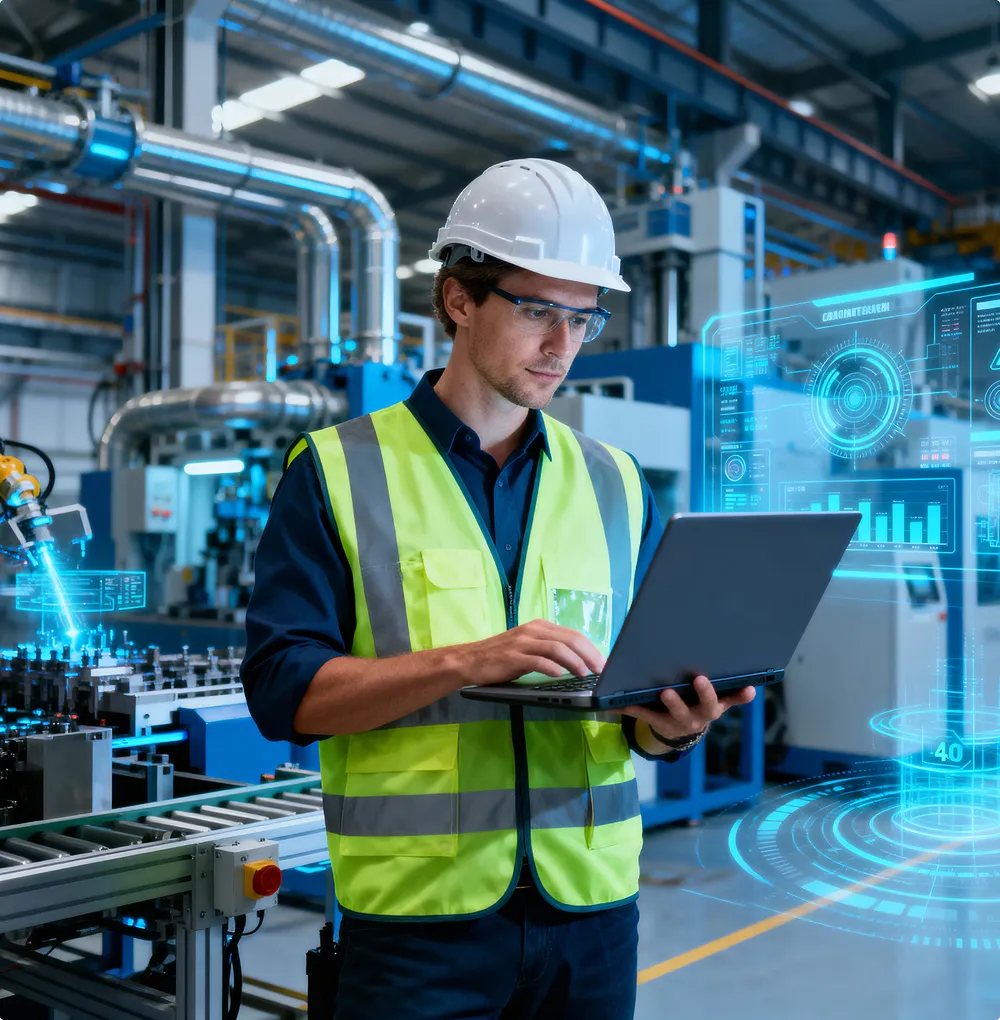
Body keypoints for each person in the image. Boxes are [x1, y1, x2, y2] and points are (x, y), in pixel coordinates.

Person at [242, 158, 755, 1019]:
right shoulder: (336, 470)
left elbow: (632, 699)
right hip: (417, 929)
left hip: (592, 914)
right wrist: (469, 661)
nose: (562, 346)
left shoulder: (617, 484)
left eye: (583, 320)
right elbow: (282, 693)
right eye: (538, 311)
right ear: (458, 300)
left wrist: (671, 730)